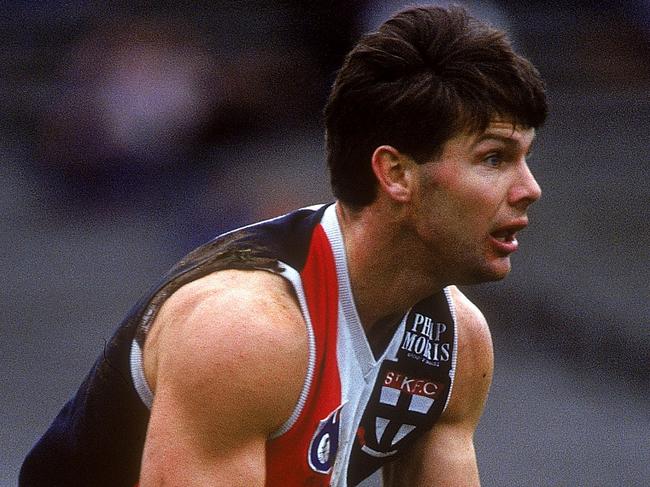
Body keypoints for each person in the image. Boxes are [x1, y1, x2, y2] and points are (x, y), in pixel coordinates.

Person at [20, 5, 547, 486]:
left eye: (524, 159)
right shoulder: (244, 328)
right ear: (395, 173)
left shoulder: (455, 342)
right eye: (495, 158)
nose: (530, 188)